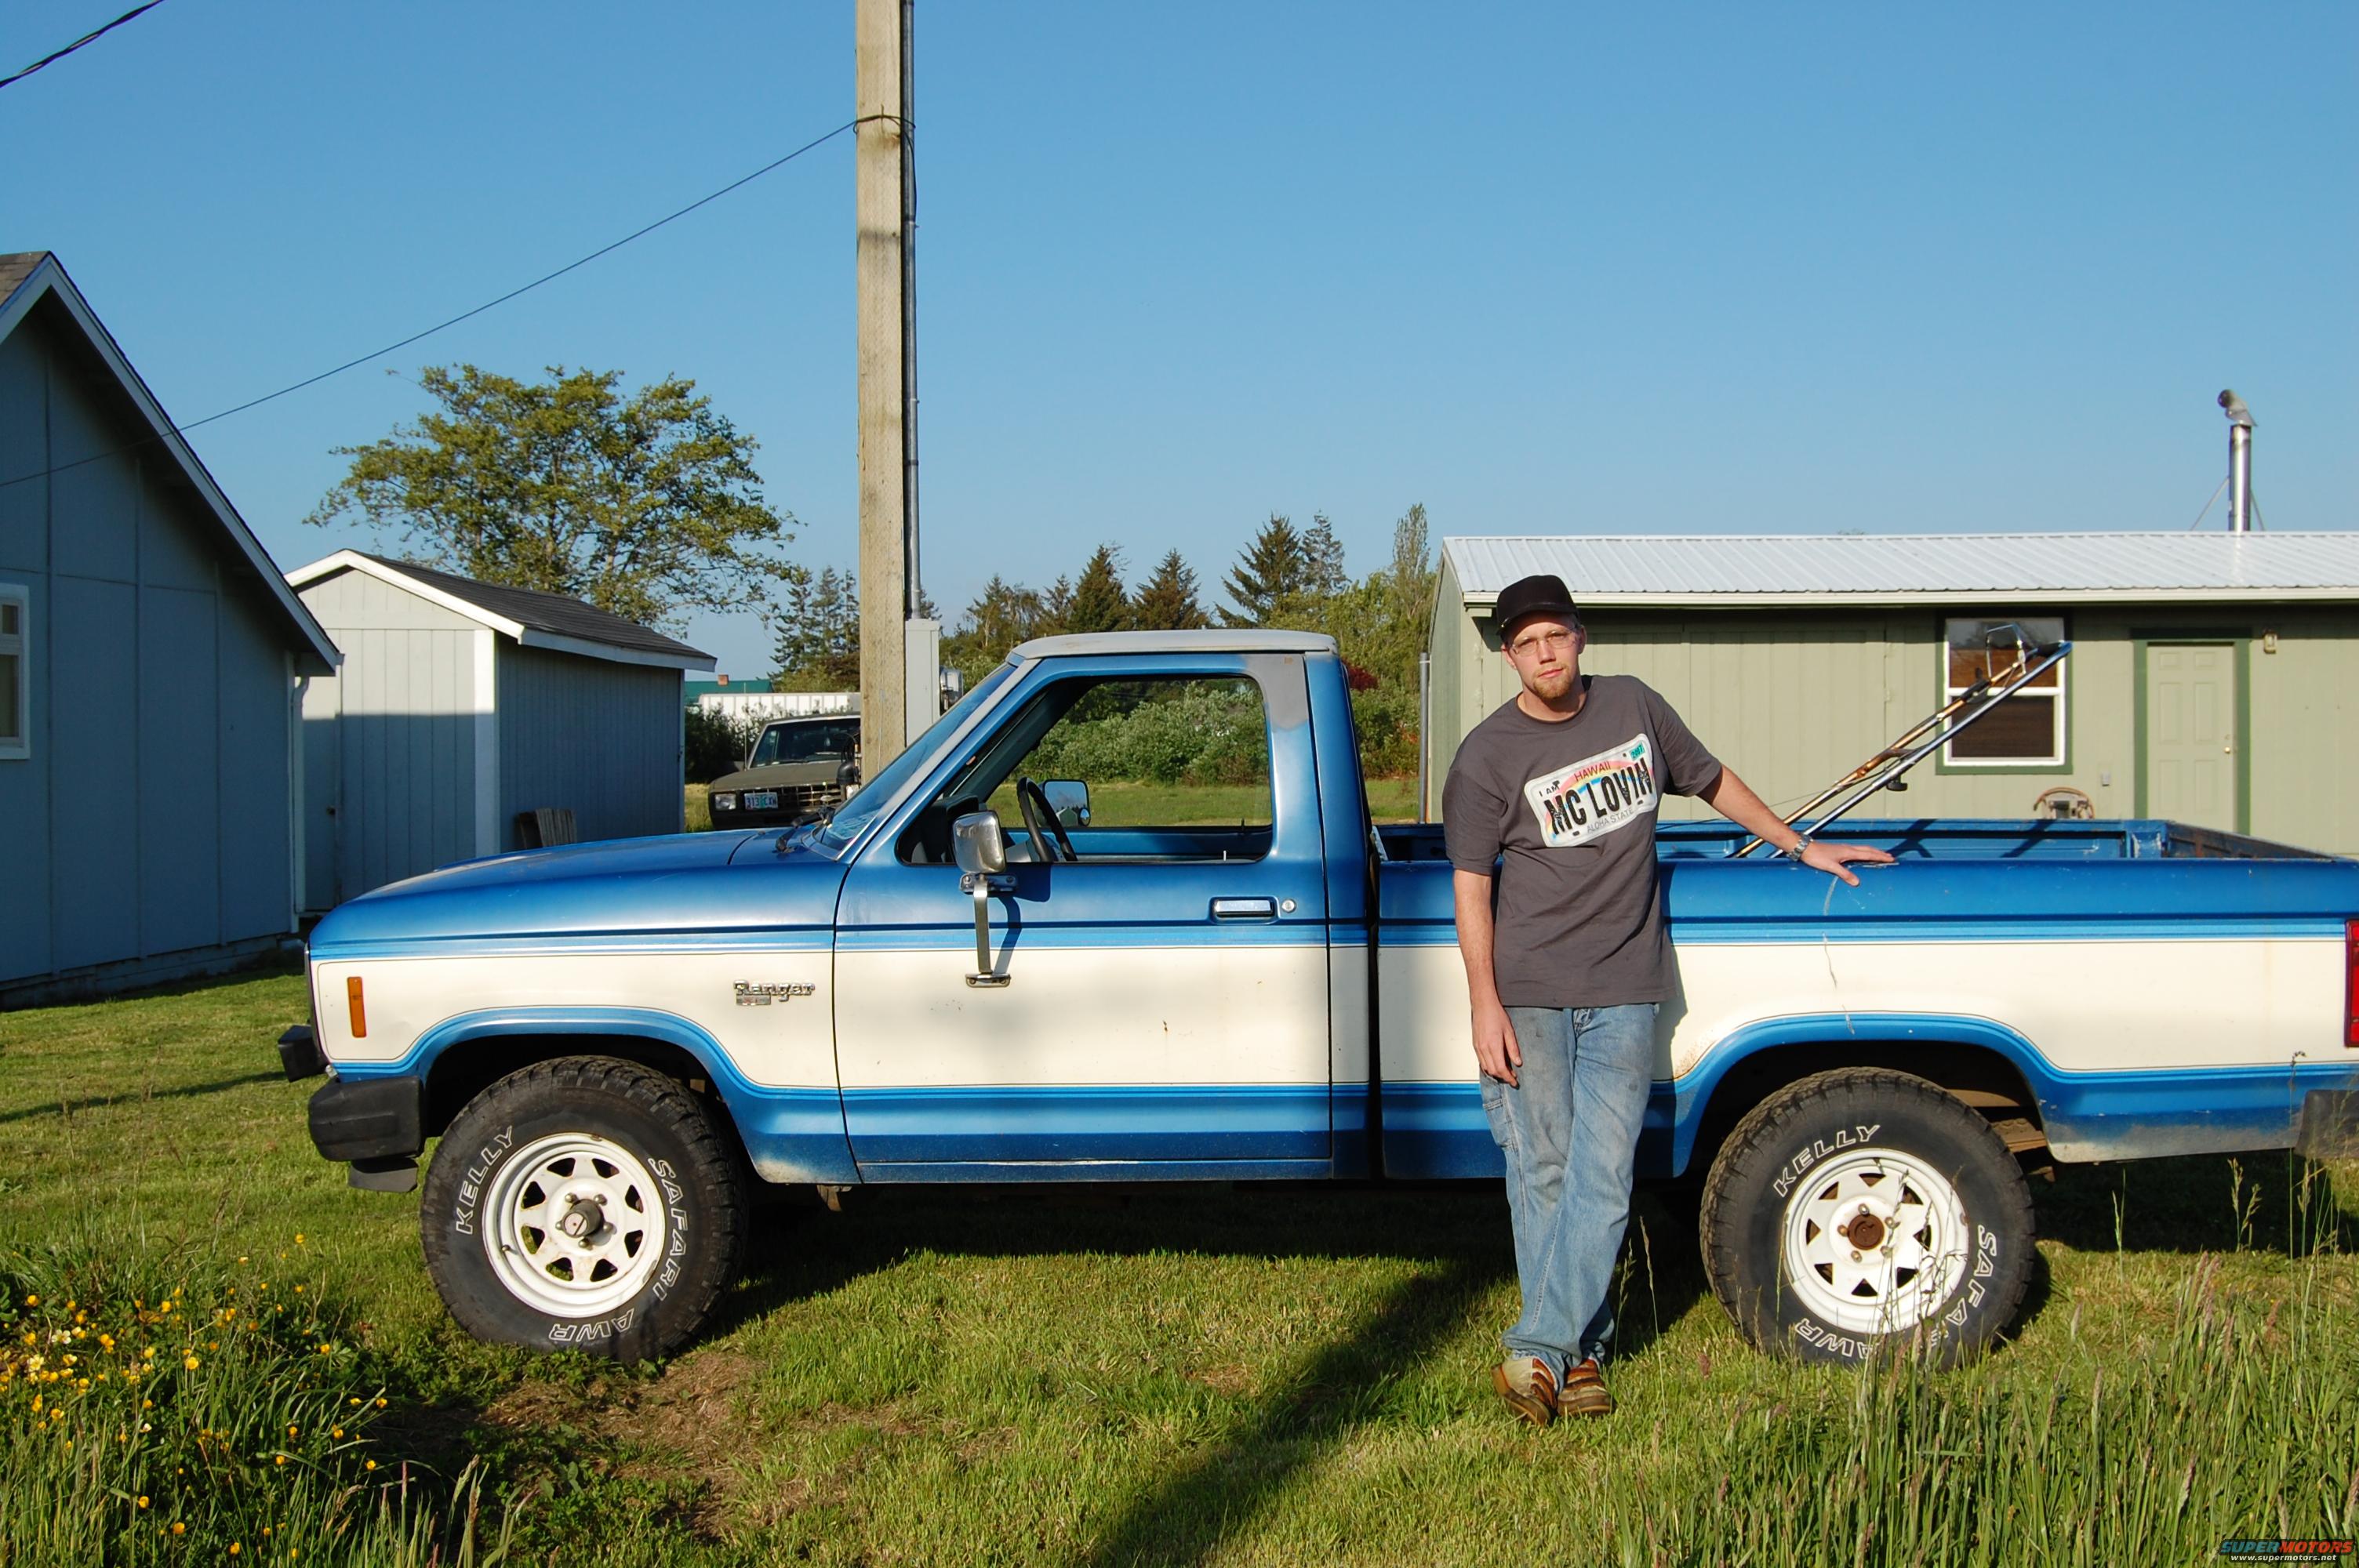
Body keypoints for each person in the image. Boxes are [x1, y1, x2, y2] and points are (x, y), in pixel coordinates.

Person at [1441, 573, 1892, 1426]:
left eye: (1555, 635)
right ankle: (1580, 1360)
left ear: (1579, 636)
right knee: (1543, 1171)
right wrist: (1483, 1003)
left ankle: (1537, 1347)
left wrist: (1798, 844)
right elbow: (1471, 887)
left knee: (1604, 1175)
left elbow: (1712, 780)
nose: (1544, 653)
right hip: (1530, 989)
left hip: (1624, 985)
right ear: (1508, 656)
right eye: (1526, 643)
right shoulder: (1486, 754)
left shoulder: (1634, 707)